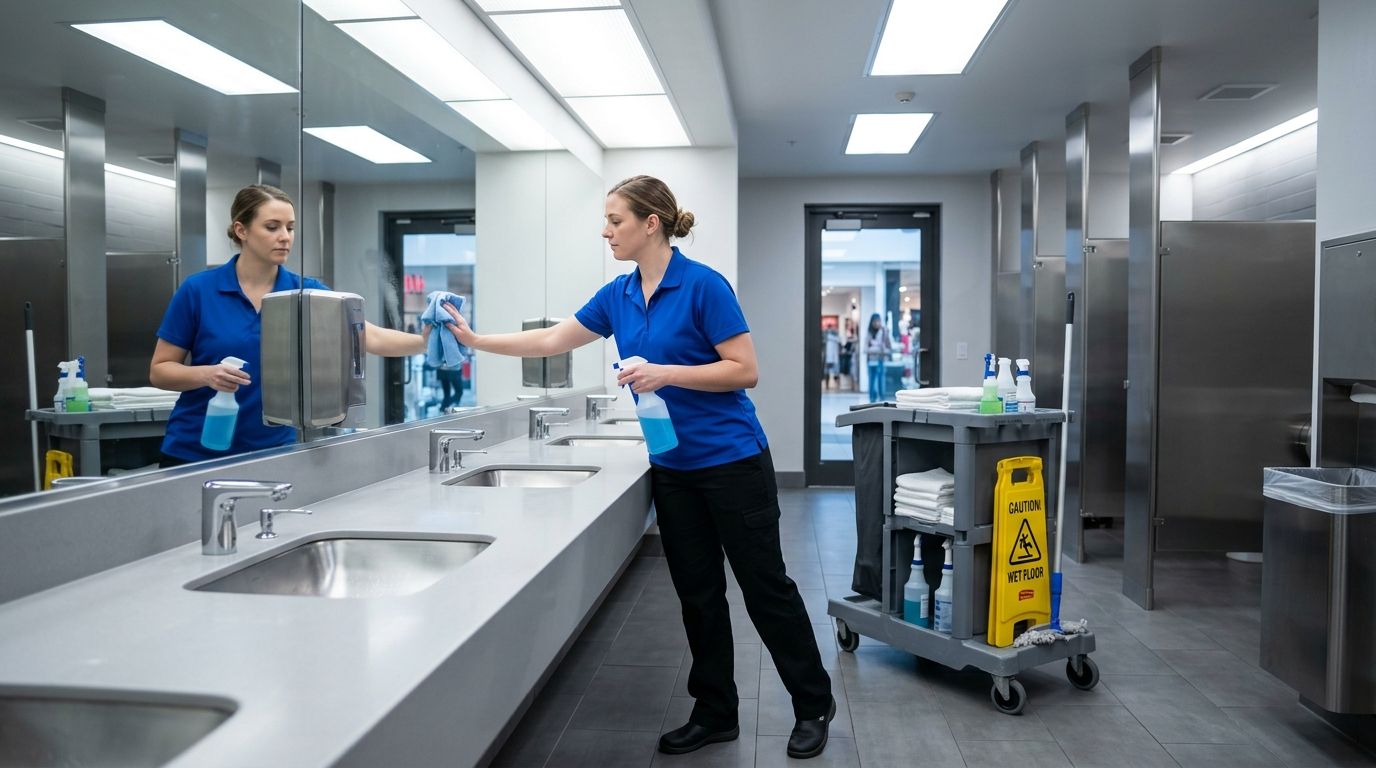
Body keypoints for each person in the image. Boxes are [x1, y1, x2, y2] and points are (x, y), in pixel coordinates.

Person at [444, 175, 836, 759]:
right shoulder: (619, 295)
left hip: (733, 462)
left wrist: (665, 372)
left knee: (764, 588)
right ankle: (715, 711)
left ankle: (812, 705)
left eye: (616, 220)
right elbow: (553, 340)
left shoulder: (704, 286)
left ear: (651, 223)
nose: (606, 231)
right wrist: (476, 340)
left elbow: (744, 369)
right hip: (673, 466)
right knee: (697, 593)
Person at [149, 184, 450, 467]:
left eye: (290, 228)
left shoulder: (307, 293)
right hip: (193, 451)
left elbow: (368, 336)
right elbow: (161, 370)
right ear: (241, 230)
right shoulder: (199, 290)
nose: (285, 237)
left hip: (273, 450)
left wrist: (427, 340)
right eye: (272, 227)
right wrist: (206, 374)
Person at [864, 312, 890, 401]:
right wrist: (877, 350)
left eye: (879, 321)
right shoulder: (869, 334)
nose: (877, 323)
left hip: (881, 361)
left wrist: (886, 333)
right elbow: (865, 349)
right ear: (872, 322)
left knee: (881, 381)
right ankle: (872, 399)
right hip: (871, 362)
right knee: (872, 382)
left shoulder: (884, 332)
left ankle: (882, 399)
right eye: (875, 321)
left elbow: (889, 348)